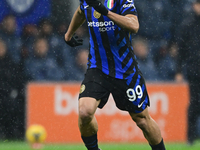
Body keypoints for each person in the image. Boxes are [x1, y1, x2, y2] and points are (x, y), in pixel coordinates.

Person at [65, 0, 166, 150]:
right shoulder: (86, 1)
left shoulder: (121, 1)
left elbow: (134, 26)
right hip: (97, 68)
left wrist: (106, 12)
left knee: (142, 120)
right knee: (85, 112)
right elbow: (81, 11)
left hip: (125, 70)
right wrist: (68, 34)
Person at [175, 0, 200, 145]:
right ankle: (190, 137)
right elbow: (181, 50)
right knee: (195, 104)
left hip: (194, 68)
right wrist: (178, 70)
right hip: (194, 71)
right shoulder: (187, 25)